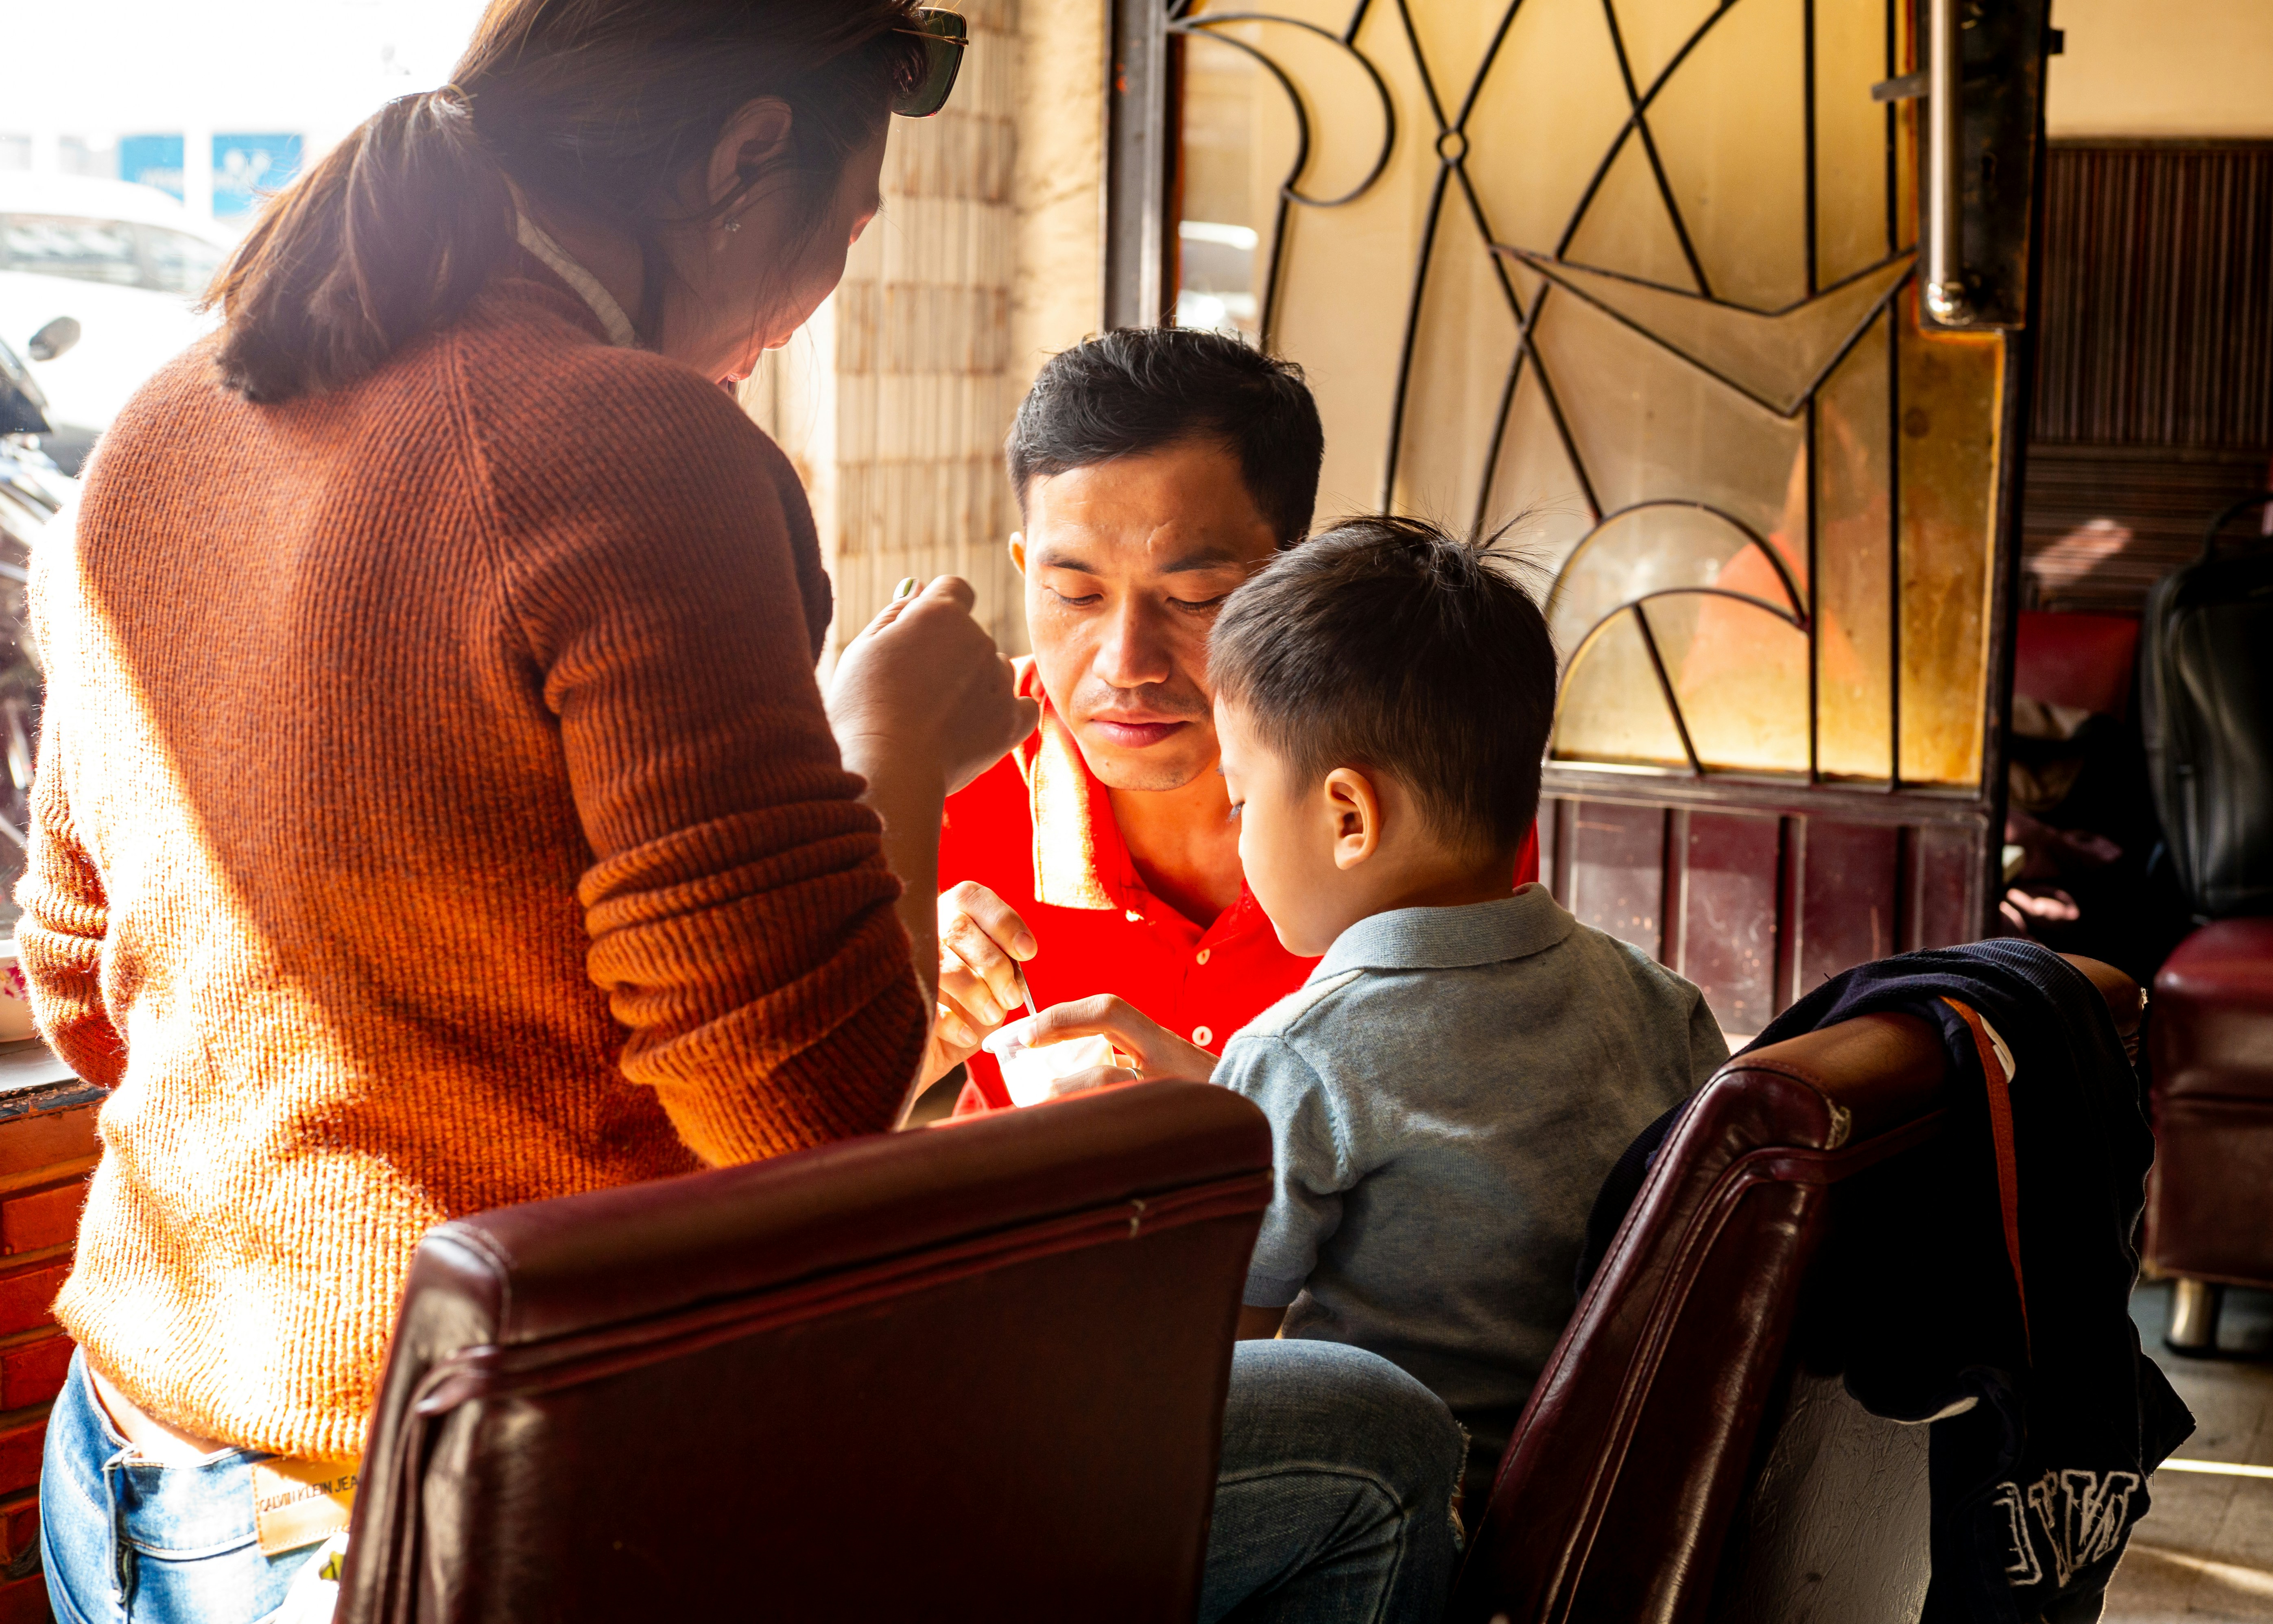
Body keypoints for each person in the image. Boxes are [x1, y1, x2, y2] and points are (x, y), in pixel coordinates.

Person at [20, 6, 1460, 1620]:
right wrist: (890, 736)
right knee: (1375, 1446)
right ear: (746, 153)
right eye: (848, 227)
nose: (816, 299)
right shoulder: (637, 447)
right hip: (458, 1492)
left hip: (130, 1471)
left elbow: (82, 996)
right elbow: (799, 1124)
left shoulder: (159, 426)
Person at [1003, 517, 1728, 1501]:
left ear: (1350, 818)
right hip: (1591, 1508)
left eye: (1245, 798)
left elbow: (1217, 1368)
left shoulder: (1302, 1052)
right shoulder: (1661, 1001)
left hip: (1389, 1530)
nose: (1240, 831)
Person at [926, 330, 1533, 1107]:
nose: (1125, 663)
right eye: (1076, 595)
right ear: (1024, 571)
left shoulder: (1426, 772)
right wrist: (893, 1023)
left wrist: (1241, 1117)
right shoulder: (950, 771)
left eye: (1196, 598)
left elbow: (1490, 1139)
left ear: (1295, 575)